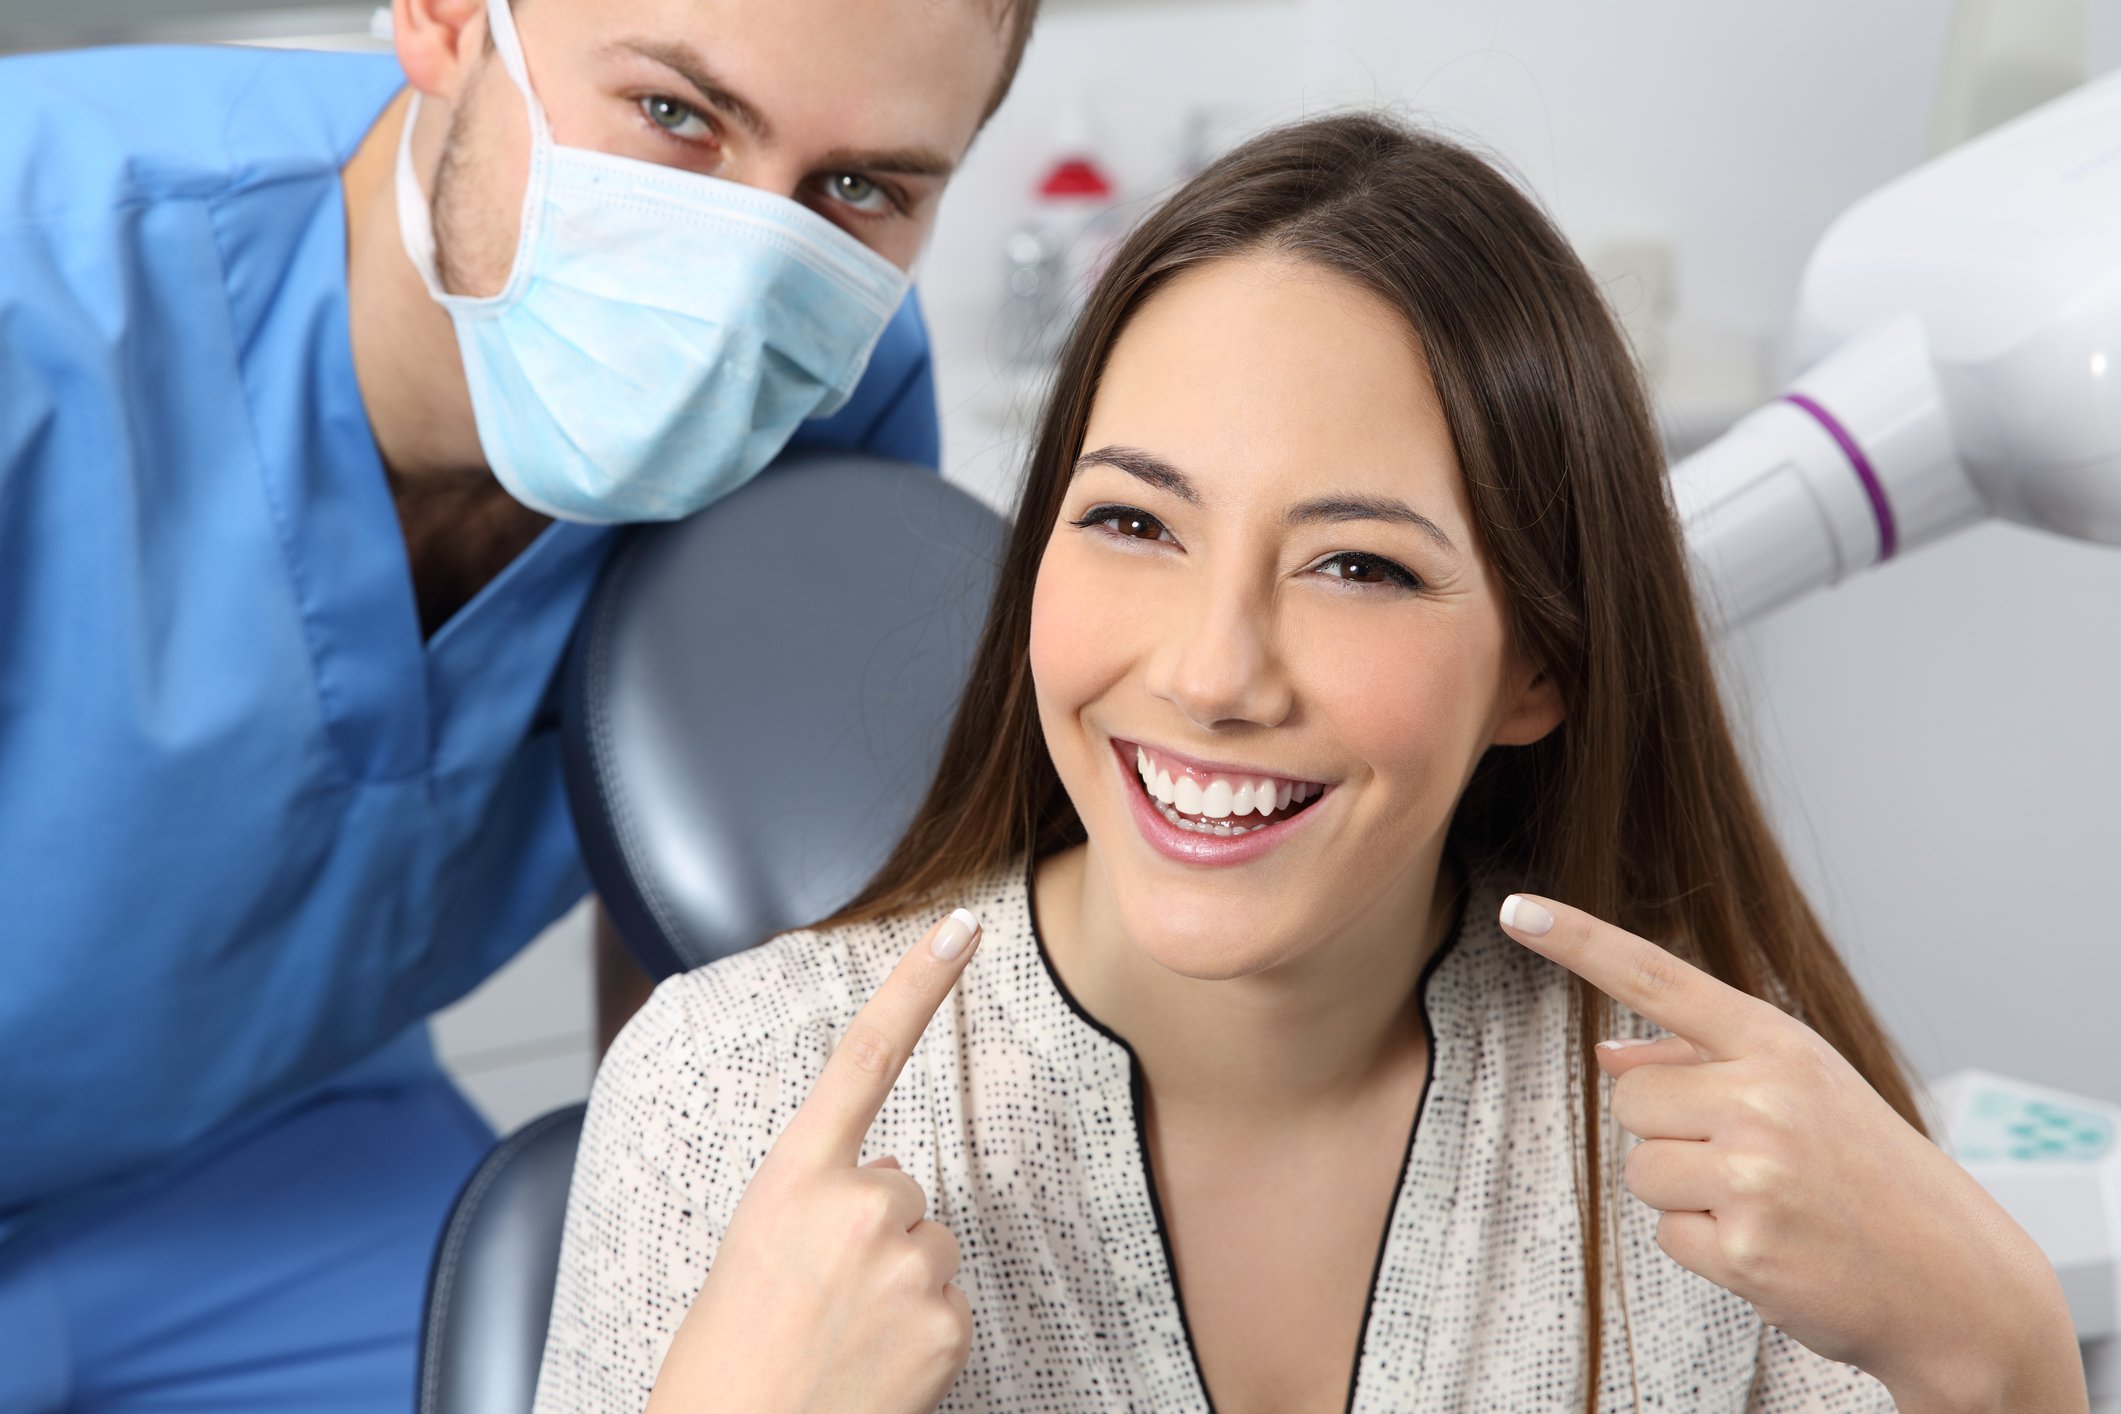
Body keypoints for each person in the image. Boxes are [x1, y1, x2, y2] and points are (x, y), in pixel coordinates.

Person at [536, 114, 2088, 1412]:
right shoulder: (724, 1097)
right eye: (1134, 522)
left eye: (1355, 565)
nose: (1212, 674)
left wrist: (2005, 1352)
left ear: (1538, 664)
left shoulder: (1714, 1144)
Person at [0, 0, 1035, 1405]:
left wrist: (682, 1279)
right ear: (439, 19)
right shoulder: (38, 275)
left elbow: (714, 937)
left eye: (860, 188)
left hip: (276, 1152)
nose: (741, 279)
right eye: (675, 113)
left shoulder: (819, 393)